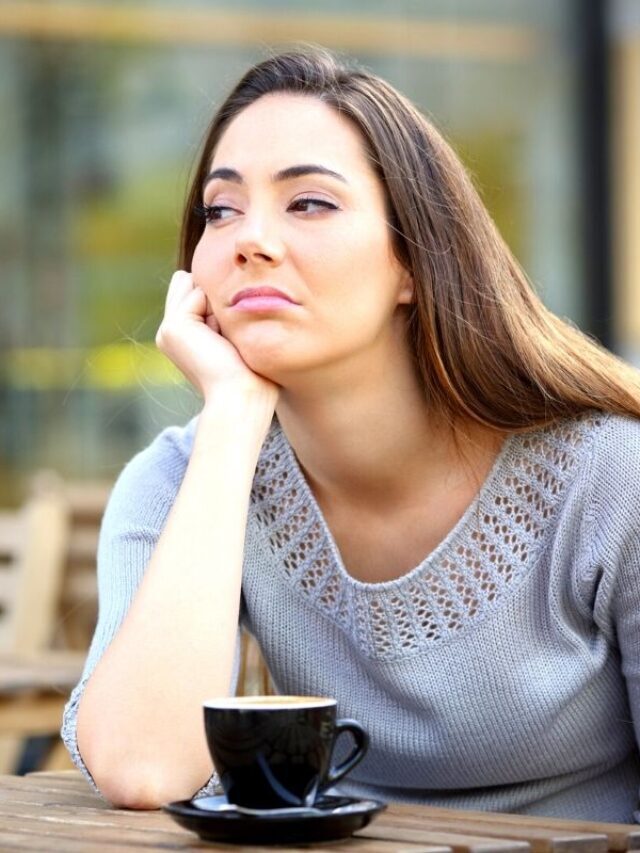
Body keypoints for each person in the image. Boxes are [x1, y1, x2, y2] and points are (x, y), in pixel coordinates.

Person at [62, 46, 640, 822]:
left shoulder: (610, 478)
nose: (249, 239)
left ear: (413, 259)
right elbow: (141, 766)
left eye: (309, 204)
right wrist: (233, 417)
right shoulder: (182, 480)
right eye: (221, 209)